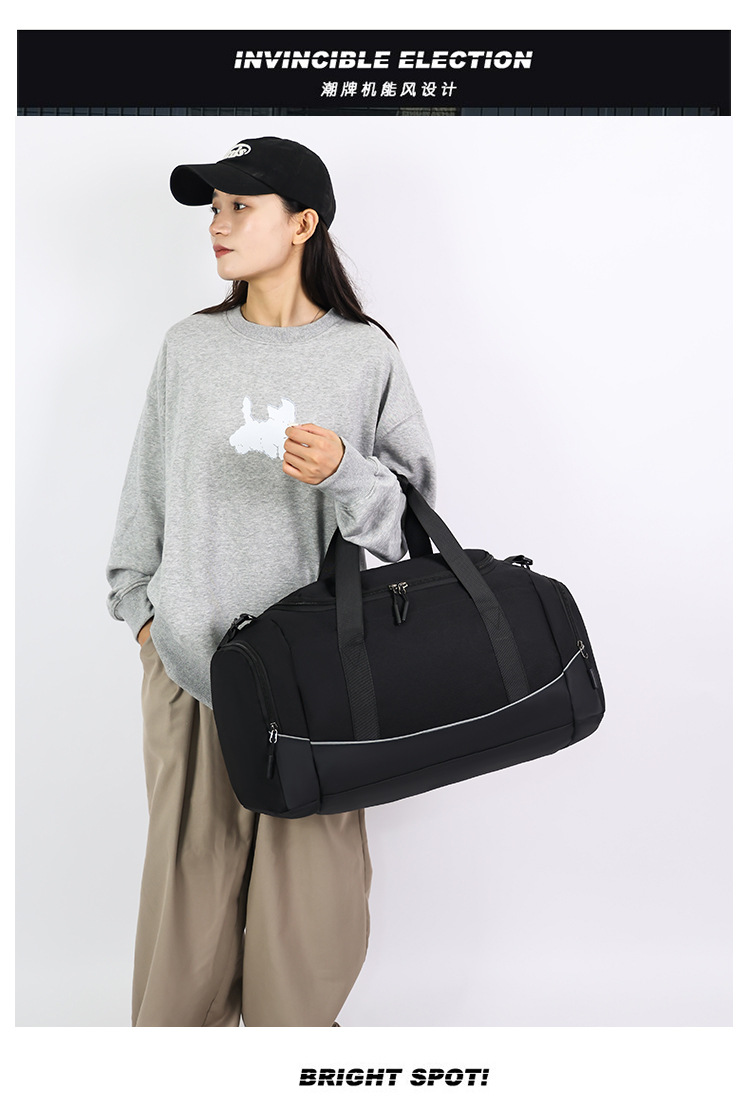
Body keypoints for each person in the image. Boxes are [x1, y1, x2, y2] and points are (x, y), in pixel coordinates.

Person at [105, 135, 438, 1027]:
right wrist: (143, 614)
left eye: (239, 207)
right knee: (185, 935)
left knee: (306, 936)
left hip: (319, 684)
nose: (218, 225)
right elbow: (145, 495)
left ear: (302, 224)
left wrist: (345, 471)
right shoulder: (190, 347)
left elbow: (410, 529)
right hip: (191, 669)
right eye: (214, 209)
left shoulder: (365, 355)